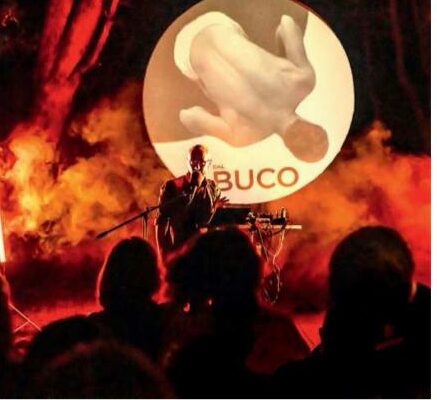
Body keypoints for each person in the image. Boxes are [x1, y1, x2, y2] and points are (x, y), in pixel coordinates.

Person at [155, 144, 227, 257]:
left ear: (209, 164)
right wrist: (164, 256)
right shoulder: (173, 186)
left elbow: (212, 223)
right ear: (187, 162)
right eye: (193, 162)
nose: (197, 167)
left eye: (202, 163)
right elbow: (162, 223)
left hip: (206, 253)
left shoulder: (213, 188)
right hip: (180, 253)